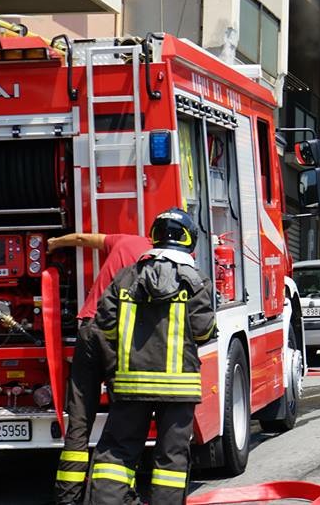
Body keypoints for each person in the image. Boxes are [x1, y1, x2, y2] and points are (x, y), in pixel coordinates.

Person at [87, 208, 216, 505]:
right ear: (189, 241)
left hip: (131, 385)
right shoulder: (195, 282)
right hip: (178, 389)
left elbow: (103, 326)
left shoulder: (126, 277)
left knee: (117, 453)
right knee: (170, 460)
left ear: (154, 238)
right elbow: (203, 331)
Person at [51, 232, 152, 505]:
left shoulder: (126, 241)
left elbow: (85, 238)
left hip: (87, 329)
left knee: (79, 422)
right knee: (124, 421)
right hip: (118, 337)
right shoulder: (158, 261)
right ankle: (116, 496)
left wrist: (56, 242)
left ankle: (67, 498)